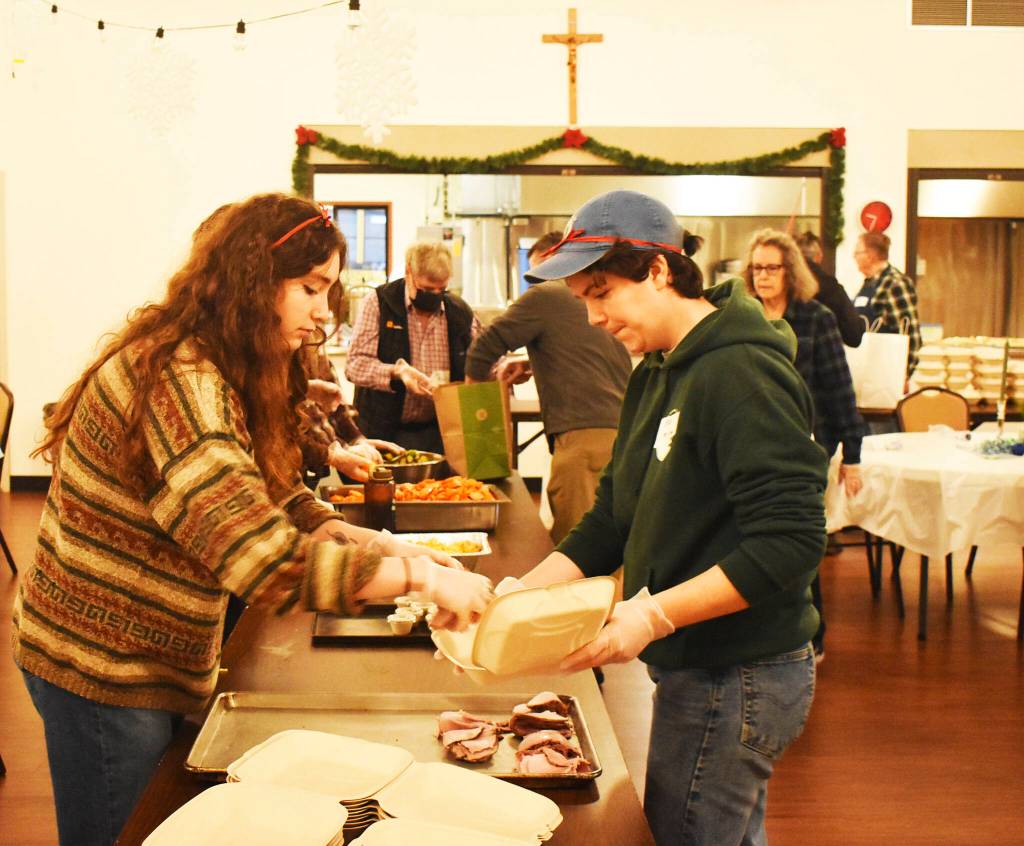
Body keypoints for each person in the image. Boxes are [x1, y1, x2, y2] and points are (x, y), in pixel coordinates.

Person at [11, 194, 493, 846]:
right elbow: (262, 561)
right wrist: (422, 581)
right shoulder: (183, 380)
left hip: (150, 657)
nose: (324, 311)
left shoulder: (222, 362)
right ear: (251, 280)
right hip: (103, 663)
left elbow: (277, 496)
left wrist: (382, 546)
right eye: (310, 288)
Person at [518, 190, 826, 846]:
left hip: (739, 671)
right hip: (700, 665)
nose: (593, 317)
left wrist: (653, 615)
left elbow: (791, 541)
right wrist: (520, 594)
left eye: (602, 292)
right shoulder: (657, 371)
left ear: (658, 270)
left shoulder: (740, 370)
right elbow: (613, 517)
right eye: (583, 299)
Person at [744, 228, 865, 661]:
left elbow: (839, 387)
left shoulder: (816, 318)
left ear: (790, 271)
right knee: (754, 543)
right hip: (751, 447)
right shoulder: (742, 318)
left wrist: (853, 455)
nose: (763, 276)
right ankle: (764, 634)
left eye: (772, 268)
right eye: (757, 268)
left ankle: (811, 636)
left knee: (800, 543)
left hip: (805, 449)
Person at [465, 232, 632, 543]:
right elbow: (586, 353)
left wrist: (475, 419)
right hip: (624, 436)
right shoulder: (599, 302)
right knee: (614, 546)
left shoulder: (545, 295)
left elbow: (483, 348)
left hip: (583, 442)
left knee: (579, 548)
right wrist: (532, 362)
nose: (539, 281)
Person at [346, 241, 482, 454]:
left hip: (442, 432)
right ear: (408, 273)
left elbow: (482, 357)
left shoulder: (460, 312)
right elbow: (355, 365)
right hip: (385, 430)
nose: (434, 296)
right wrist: (397, 372)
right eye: (426, 289)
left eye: (441, 290)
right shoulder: (380, 303)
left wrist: (502, 368)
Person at [853, 230, 922, 376]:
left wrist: (904, 375)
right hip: (868, 371)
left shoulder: (894, 284)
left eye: (857, 252)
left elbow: (911, 336)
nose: (854, 257)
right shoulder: (870, 283)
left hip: (887, 375)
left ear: (870, 255)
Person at [795, 230, 864, 348]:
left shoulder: (781, 284)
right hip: (821, 354)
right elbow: (854, 336)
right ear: (819, 256)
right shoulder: (832, 288)